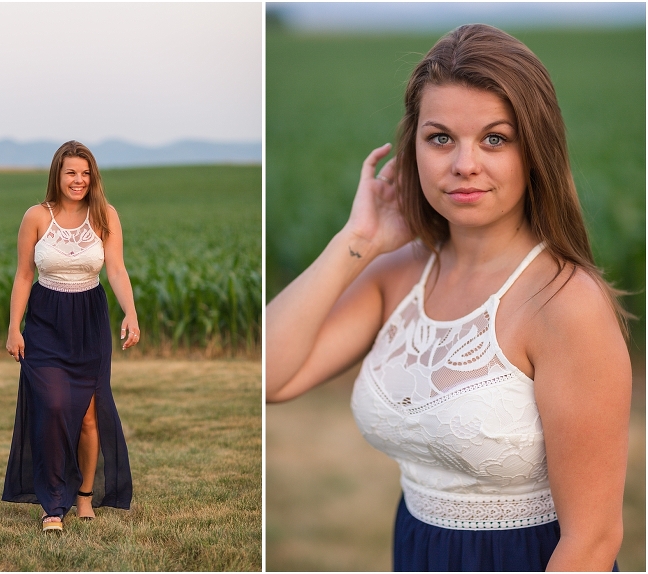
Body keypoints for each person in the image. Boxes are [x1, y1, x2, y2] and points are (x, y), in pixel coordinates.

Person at [266, 24, 631, 571]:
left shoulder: (565, 304)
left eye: (495, 139)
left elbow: (594, 540)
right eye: (441, 138)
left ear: (535, 150)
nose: (464, 164)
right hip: (418, 550)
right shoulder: (397, 274)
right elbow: (270, 377)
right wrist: (357, 242)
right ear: (413, 147)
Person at [2, 140, 139, 532]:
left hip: (89, 321)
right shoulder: (36, 217)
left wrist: (130, 311)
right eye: (70, 173)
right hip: (45, 320)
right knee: (54, 407)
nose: (78, 180)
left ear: (92, 176)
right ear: (57, 176)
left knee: (89, 418)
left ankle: (83, 496)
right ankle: (52, 505)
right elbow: (24, 274)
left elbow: (115, 269)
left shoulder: (105, 215)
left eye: (84, 172)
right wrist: (14, 327)